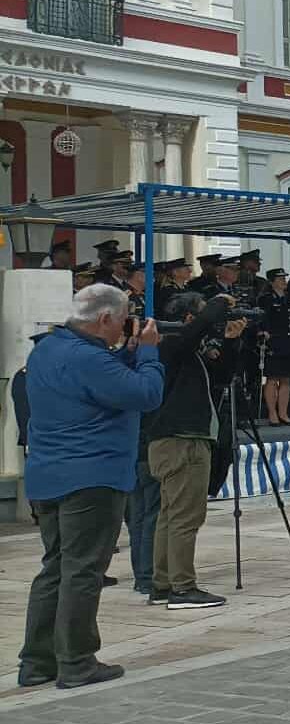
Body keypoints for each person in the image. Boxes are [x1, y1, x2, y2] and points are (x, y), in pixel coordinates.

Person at [20, 285, 164, 689]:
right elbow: (146, 394)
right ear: (104, 319)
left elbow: (102, 380)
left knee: (56, 568)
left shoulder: (47, 349)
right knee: (83, 572)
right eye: (122, 320)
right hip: (92, 476)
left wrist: (129, 353)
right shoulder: (89, 358)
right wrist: (149, 353)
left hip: (47, 475)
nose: (125, 327)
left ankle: (36, 662)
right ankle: (77, 662)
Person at [145, 292, 246, 610]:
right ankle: (183, 587)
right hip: (181, 442)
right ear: (189, 319)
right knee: (186, 516)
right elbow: (195, 330)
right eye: (203, 317)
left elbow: (222, 378)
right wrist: (217, 305)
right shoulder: (170, 343)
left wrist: (230, 341)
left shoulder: (187, 352)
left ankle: (163, 583)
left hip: (180, 440)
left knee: (171, 514)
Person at [256, 269, 290, 426]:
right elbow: (261, 318)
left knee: (286, 379)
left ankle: (283, 412)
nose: (283, 281)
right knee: (273, 379)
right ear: (272, 282)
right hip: (273, 342)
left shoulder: (289, 299)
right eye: (280, 279)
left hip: (288, 342)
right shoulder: (266, 299)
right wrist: (263, 332)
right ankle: (272, 413)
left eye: (284, 278)